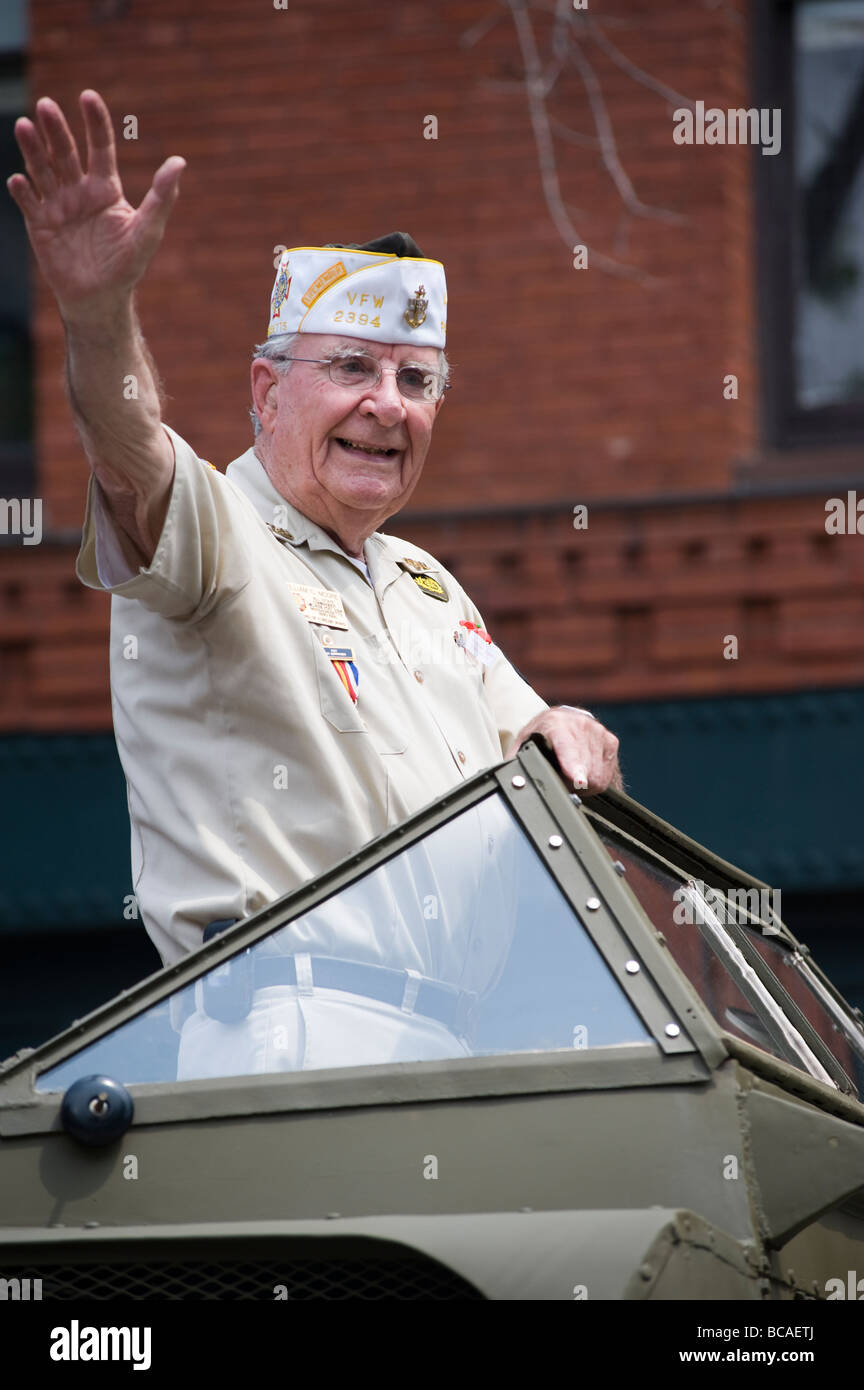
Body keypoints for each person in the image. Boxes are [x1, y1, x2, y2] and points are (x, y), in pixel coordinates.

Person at [8, 89, 623, 1074]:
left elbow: (545, 754)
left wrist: (573, 733)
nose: (388, 405)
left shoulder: (428, 585)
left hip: (470, 1048)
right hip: (295, 1029)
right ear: (266, 390)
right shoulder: (223, 527)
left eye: (416, 380)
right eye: (351, 368)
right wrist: (96, 313)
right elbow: (128, 454)